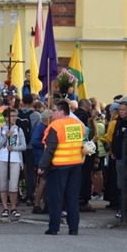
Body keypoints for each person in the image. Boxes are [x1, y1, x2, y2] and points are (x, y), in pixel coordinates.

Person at [37, 100, 85, 235]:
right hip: (75, 164)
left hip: (58, 166)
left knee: (55, 198)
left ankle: (54, 227)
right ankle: (73, 228)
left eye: (54, 111)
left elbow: (50, 149)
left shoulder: (56, 126)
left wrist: (42, 165)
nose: (52, 114)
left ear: (61, 112)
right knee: (72, 198)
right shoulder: (77, 124)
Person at [0, 107, 27, 218]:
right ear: (6, 118)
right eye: (12, 116)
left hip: (15, 159)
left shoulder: (19, 130)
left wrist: (13, 148)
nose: (14, 118)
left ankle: (13, 207)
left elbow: (24, 146)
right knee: (2, 185)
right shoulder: (0, 130)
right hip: (2, 159)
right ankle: (5, 208)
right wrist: (5, 137)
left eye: (15, 116)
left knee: (13, 185)